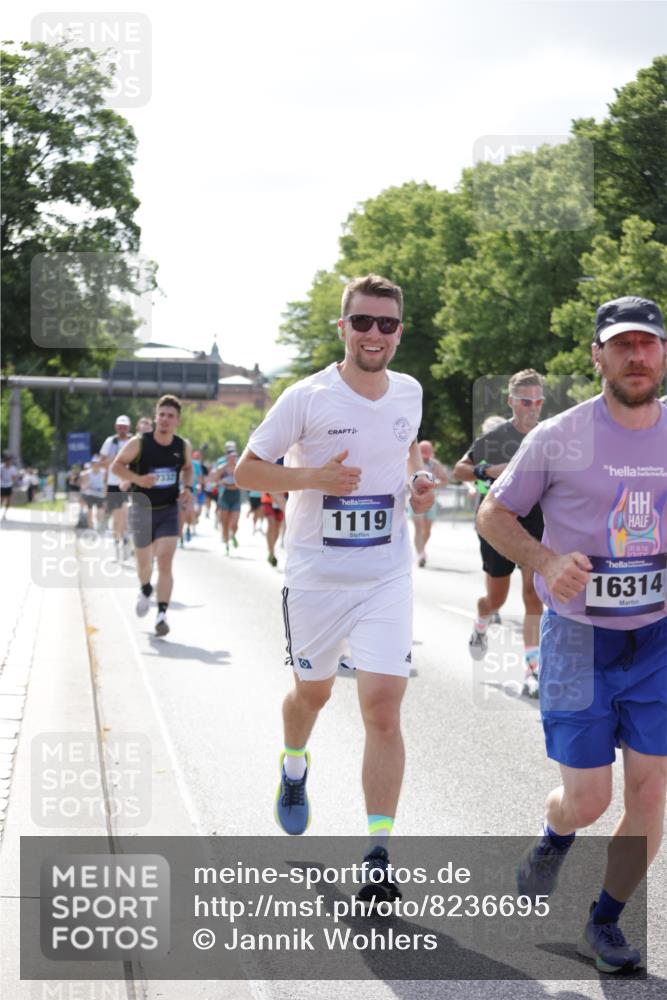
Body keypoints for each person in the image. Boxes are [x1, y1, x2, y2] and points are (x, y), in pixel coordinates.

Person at [477, 296, 667, 973]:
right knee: (588, 799)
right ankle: (554, 837)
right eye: (622, 346)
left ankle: (603, 922)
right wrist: (544, 561)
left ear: (663, 352)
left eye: (647, 344)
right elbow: (492, 514)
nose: (636, 357)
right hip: (575, 639)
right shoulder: (557, 435)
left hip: (655, 640)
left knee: (649, 793)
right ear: (597, 356)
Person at [235, 274, 435, 903]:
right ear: (343, 327)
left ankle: (378, 854)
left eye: (387, 324)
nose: (375, 334)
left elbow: (402, 464)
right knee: (313, 696)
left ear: (399, 332)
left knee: (382, 708)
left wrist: (420, 482)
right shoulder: (306, 396)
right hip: (317, 577)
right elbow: (246, 470)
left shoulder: (409, 392)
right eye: (363, 322)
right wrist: (312, 475)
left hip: (386, 574)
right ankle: (294, 764)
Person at [453, 370, 545, 697]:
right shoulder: (494, 438)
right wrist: (487, 470)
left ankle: (533, 670)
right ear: (511, 402)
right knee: (496, 599)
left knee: (534, 596)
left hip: (535, 525)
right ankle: (481, 624)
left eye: (537, 401)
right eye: (524, 401)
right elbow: (459, 469)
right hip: (499, 527)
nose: (532, 408)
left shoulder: (549, 435)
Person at [110, 395, 193, 637]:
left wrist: (187, 489)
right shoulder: (140, 443)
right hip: (141, 509)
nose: (165, 420)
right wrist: (138, 480)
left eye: (171, 416)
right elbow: (116, 466)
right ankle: (146, 588)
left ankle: (162, 614)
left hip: (168, 509)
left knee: (165, 561)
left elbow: (188, 469)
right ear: (156, 417)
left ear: (177, 420)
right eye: (162, 415)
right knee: (144, 564)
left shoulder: (182, 446)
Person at [411, 440, 448, 567]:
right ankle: (421, 554)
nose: (425, 458)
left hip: (431, 500)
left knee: (427, 530)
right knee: (418, 527)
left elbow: (444, 480)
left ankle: (421, 549)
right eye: (423, 455)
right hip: (415, 499)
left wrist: (435, 483)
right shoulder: (413, 461)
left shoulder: (434, 464)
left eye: (427, 456)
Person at [100, 415, 133, 560]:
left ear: (129, 428)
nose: (122, 430)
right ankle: (117, 543)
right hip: (114, 483)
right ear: (116, 427)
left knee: (125, 513)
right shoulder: (110, 441)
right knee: (116, 517)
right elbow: (102, 461)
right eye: (120, 427)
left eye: (124, 427)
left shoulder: (133, 441)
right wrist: (114, 459)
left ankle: (125, 539)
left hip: (129, 482)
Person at [214, 442, 241, 554]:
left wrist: (235, 484)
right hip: (225, 495)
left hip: (236, 496)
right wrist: (222, 482)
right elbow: (216, 479)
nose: (232, 457)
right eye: (230, 455)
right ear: (227, 456)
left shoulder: (239, 467)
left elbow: (244, 481)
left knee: (234, 524)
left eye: (234, 455)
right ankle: (226, 545)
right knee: (224, 522)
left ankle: (232, 535)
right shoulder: (222, 467)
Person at [80, 455, 107, 530]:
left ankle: (98, 526)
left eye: (97, 463)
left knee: (100, 513)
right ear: (92, 464)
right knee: (89, 511)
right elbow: (83, 485)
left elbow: (105, 483)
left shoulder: (104, 472)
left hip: (100, 495)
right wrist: (86, 485)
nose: (96, 465)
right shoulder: (86, 473)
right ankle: (91, 528)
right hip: (90, 494)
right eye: (94, 463)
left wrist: (105, 492)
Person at [1, 453, 18, 520]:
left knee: (8, 500)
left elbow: (14, 477)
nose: (8, 462)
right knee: (1, 499)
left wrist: (13, 479)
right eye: (7, 460)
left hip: (9, 485)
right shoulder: (1, 467)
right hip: (2, 485)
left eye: (9, 460)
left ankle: (4, 514)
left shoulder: (13, 468)